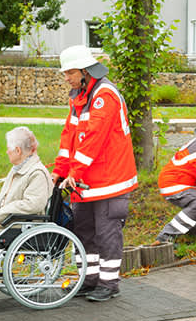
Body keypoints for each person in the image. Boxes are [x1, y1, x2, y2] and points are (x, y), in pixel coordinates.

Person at [52, 45, 138, 302]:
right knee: (83, 231)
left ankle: (109, 284)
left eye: (69, 72)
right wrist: (60, 170)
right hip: (86, 181)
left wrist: (74, 173)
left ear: (85, 70)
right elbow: (70, 136)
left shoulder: (104, 95)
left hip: (110, 181)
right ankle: (88, 280)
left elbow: (93, 140)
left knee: (106, 233)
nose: (66, 77)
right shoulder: (79, 96)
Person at [0, 127, 53, 239]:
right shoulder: (17, 168)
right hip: (6, 222)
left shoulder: (37, 173)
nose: (7, 151)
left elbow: (32, 205)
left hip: (19, 227)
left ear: (18, 150)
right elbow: (2, 195)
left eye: (8, 148)